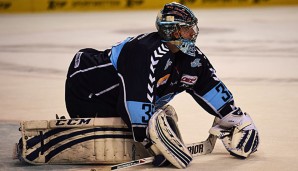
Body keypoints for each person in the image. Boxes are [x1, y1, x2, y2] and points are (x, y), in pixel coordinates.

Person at [65, 2, 259, 168]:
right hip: (86, 91)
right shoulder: (144, 51)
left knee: (163, 117)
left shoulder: (192, 58)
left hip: (114, 99)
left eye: (193, 27)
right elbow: (135, 103)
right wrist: (151, 139)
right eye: (186, 28)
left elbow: (209, 85)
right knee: (156, 120)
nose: (193, 33)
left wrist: (236, 119)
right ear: (172, 30)